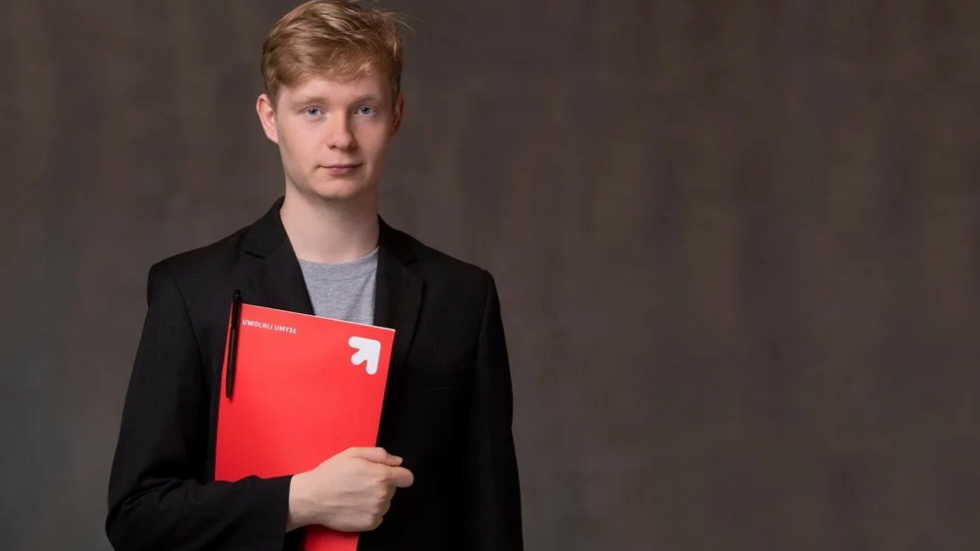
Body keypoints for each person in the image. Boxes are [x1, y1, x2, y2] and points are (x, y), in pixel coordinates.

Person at [105, 1, 523, 550]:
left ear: (397, 115)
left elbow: (491, 521)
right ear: (268, 117)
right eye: (313, 110)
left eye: (364, 109)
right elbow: (137, 517)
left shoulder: (463, 298)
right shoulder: (191, 291)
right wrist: (300, 500)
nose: (341, 138)